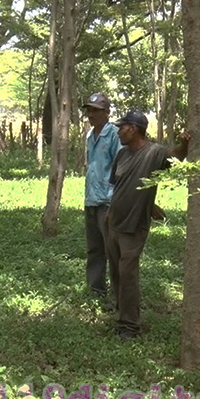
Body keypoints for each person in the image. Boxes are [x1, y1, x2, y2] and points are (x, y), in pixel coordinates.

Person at [106, 111, 187, 340]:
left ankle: (130, 325)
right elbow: (118, 186)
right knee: (116, 272)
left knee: (127, 274)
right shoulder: (122, 154)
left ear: (133, 129)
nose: (119, 132)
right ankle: (121, 312)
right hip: (114, 223)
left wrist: (185, 144)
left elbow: (176, 156)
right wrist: (110, 212)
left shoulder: (154, 153)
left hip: (134, 226)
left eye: (122, 128)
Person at [81, 93, 122, 297]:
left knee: (112, 250)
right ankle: (96, 290)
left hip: (108, 201)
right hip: (91, 200)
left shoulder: (114, 135)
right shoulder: (90, 136)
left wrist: (114, 202)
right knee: (94, 249)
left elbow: (121, 168)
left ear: (107, 112)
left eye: (96, 111)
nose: (91, 114)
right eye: (89, 110)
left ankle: (118, 294)